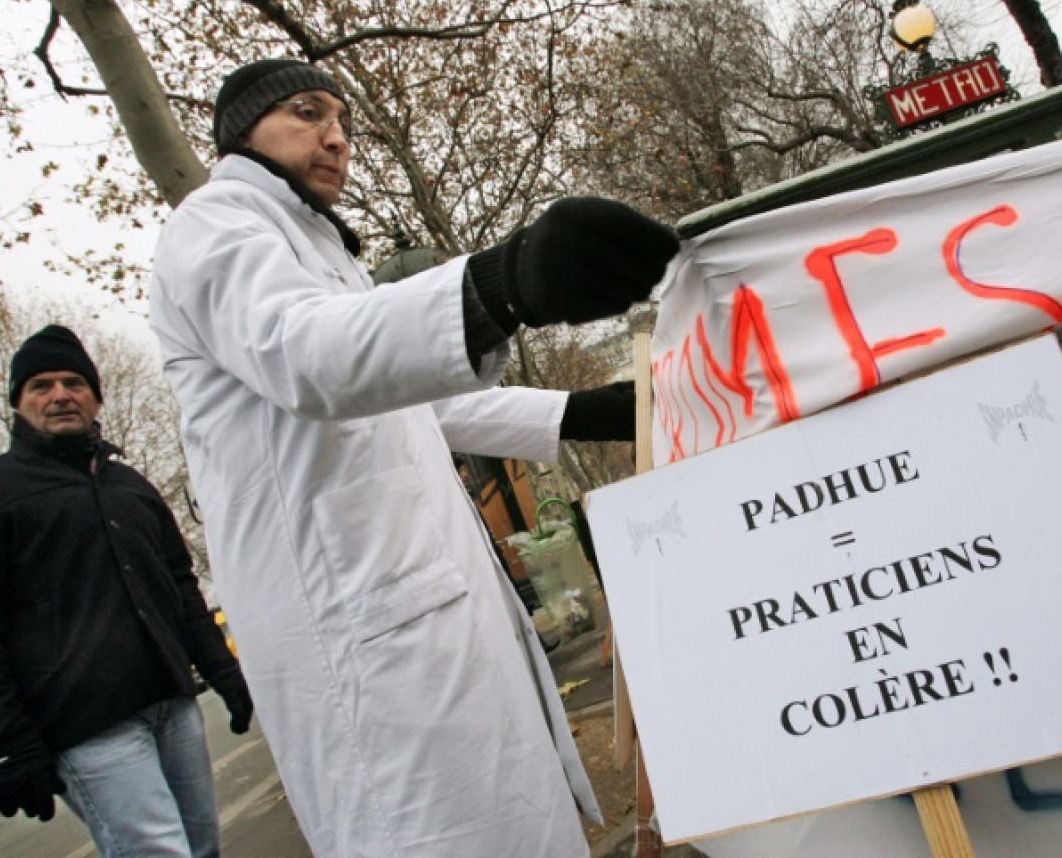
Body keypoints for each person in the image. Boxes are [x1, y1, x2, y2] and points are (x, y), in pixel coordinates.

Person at [148, 57, 676, 857]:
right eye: (307, 111)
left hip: (428, 618)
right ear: (241, 132)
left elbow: (423, 400)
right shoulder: (213, 226)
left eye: (344, 122)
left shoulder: (323, 252)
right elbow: (305, 353)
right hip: (365, 643)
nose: (335, 137)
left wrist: (587, 412)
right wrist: (503, 285)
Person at [0, 325, 253, 858]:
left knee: (202, 848)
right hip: (86, 728)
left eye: (74, 382)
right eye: (41, 385)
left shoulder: (130, 487)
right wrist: (5, 745)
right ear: (18, 402)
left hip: (172, 706)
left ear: (95, 396)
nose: (60, 394)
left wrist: (222, 671)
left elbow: (180, 587)